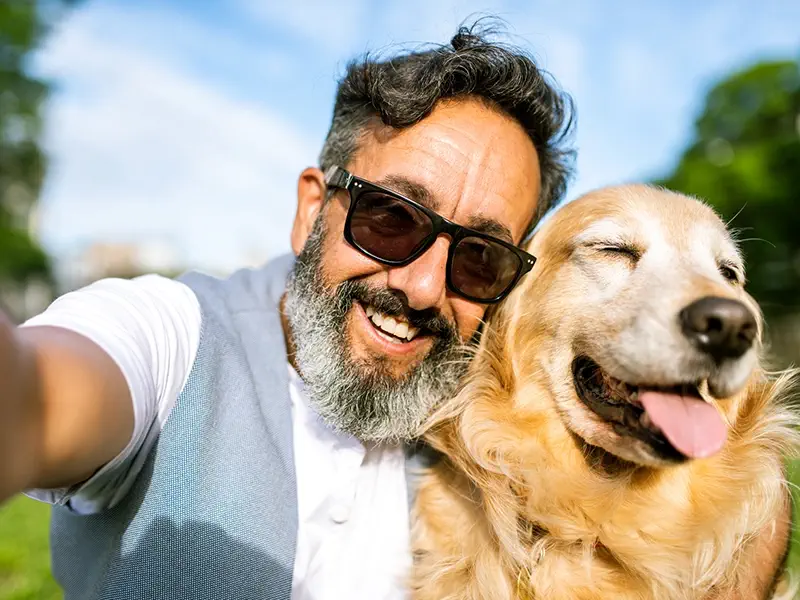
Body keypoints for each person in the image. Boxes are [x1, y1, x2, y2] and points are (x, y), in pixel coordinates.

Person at [0, 22, 790, 600]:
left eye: (480, 254)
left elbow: (732, 478)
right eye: (390, 219)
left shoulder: (471, 404)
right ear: (314, 209)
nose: (420, 287)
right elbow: (38, 395)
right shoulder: (173, 337)